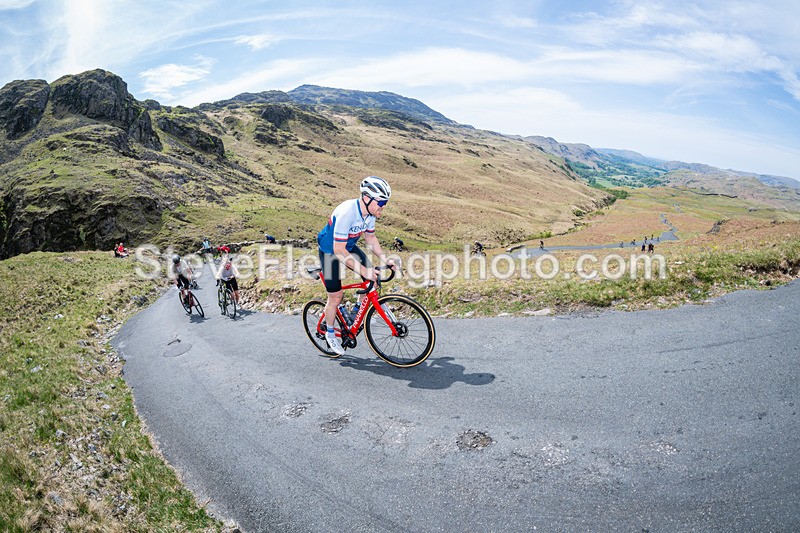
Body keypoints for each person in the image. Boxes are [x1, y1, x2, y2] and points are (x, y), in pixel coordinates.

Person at [317, 176, 395, 355]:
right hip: (331, 251)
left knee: (372, 280)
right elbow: (338, 250)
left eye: (386, 202)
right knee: (336, 297)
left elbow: (370, 238)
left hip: (349, 247)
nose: (383, 206)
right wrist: (363, 270)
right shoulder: (347, 212)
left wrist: (385, 259)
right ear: (367, 198)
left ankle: (356, 314)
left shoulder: (370, 214)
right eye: (381, 202)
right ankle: (330, 332)